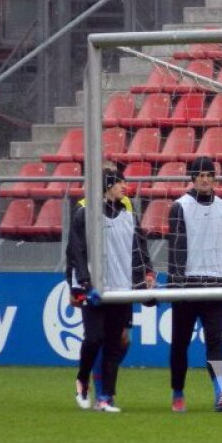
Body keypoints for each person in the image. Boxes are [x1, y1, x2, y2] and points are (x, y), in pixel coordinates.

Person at [65, 169, 155, 413]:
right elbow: (75, 251)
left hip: (121, 287)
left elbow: (139, 247)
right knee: (94, 338)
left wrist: (146, 275)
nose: (124, 186)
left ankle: (105, 397)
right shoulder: (85, 214)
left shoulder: (128, 214)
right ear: (107, 185)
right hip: (94, 288)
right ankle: (82, 379)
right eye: (119, 182)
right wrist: (83, 284)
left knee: (116, 342)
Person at [166, 156, 222, 414]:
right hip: (188, 285)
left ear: (215, 178)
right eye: (201, 175)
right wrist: (176, 283)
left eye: (209, 175)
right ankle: (178, 392)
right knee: (180, 343)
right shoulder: (180, 207)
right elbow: (175, 249)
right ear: (193, 179)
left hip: (215, 284)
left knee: (215, 341)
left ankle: (221, 393)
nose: (205, 180)